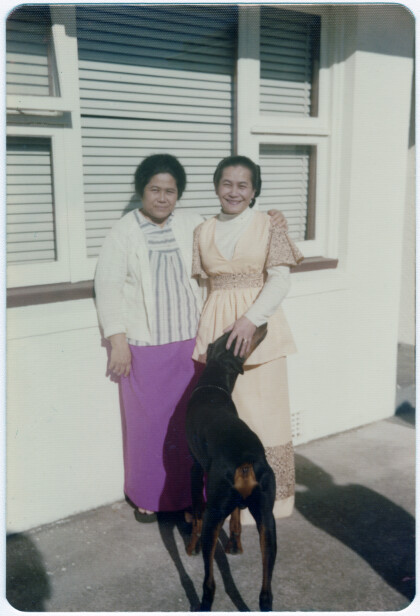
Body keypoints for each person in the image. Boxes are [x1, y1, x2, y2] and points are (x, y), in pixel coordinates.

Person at [94, 153, 287, 521]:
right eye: (155, 190)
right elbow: (107, 287)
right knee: (150, 427)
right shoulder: (123, 231)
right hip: (145, 347)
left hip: (190, 343)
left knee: (189, 425)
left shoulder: (192, 223)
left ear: (179, 194)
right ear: (142, 191)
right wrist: (117, 340)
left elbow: (234, 227)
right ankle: (149, 497)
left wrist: (272, 217)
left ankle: (189, 498)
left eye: (170, 191)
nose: (162, 198)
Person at [192, 155, 304, 520]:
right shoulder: (202, 230)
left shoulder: (269, 225)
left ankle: (270, 503)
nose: (234, 192)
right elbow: (202, 287)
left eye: (243, 185)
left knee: (265, 420)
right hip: (219, 336)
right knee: (230, 423)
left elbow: (281, 280)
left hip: (259, 334)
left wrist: (249, 320)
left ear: (254, 191)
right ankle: (236, 501)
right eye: (227, 183)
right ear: (216, 186)